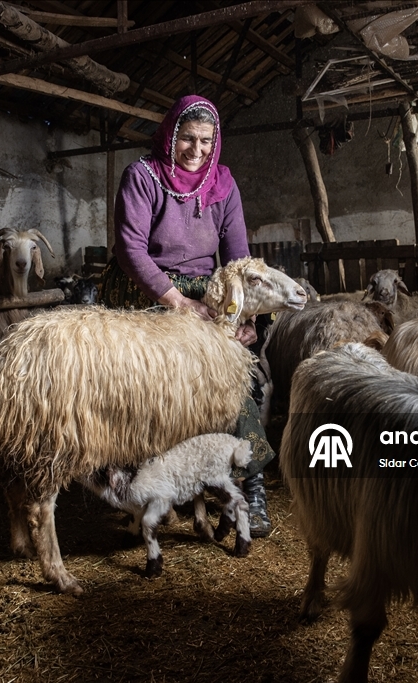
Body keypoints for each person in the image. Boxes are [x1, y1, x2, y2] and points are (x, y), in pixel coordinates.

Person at [99, 94, 273, 537]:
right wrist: (176, 301)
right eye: (188, 139)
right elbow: (130, 249)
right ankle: (137, 486)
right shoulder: (143, 177)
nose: (197, 150)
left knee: (233, 374)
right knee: (139, 383)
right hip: (146, 288)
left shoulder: (224, 185)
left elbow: (238, 259)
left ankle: (251, 487)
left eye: (206, 141)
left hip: (205, 289)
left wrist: (245, 314)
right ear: (171, 135)